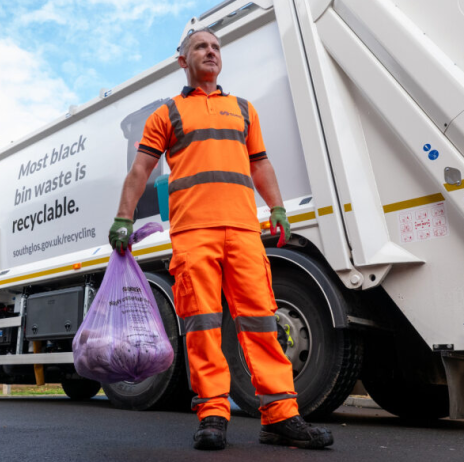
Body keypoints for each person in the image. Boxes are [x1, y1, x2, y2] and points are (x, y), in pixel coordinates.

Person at [109, 28, 333, 451]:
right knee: (203, 324)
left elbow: (260, 164)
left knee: (262, 323)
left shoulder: (243, 110)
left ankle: (281, 416)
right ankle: (212, 414)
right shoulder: (168, 114)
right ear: (183, 61)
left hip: (244, 231)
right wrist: (123, 218)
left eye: (215, 47)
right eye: (200, 47)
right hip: (194, 233)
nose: (210, 52)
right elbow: (140, 171)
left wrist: (279, 208)